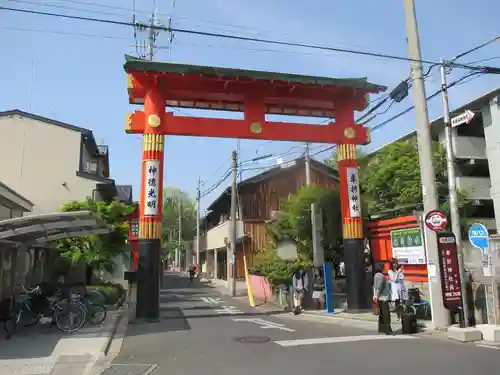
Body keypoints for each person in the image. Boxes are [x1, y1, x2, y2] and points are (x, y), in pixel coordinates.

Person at [373, 262, 393, 335]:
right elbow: (379, 286)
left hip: (379, 297)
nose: (384, 268)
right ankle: (387, 329)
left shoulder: (376, 275)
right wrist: (376, 295)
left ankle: (381, 328)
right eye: (383, 267)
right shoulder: (381, 276)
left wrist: (375, 295)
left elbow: (375, 286)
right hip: (384, 297)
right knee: (386, 314)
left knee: (381, 314)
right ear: (381, 268)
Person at [388, 258, 407, 322]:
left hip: (401, 288)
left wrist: (401, 271)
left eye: (396, 263)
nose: (395, 265)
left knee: (403, 303)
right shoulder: (390, 271)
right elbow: (394, 279)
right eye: (394, 263)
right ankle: (399, 316)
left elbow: (402, 278)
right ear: (391, 264)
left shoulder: (399, 270)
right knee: (398, 303)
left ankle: (404, 316)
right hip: (396, 289)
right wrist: (398, 272)